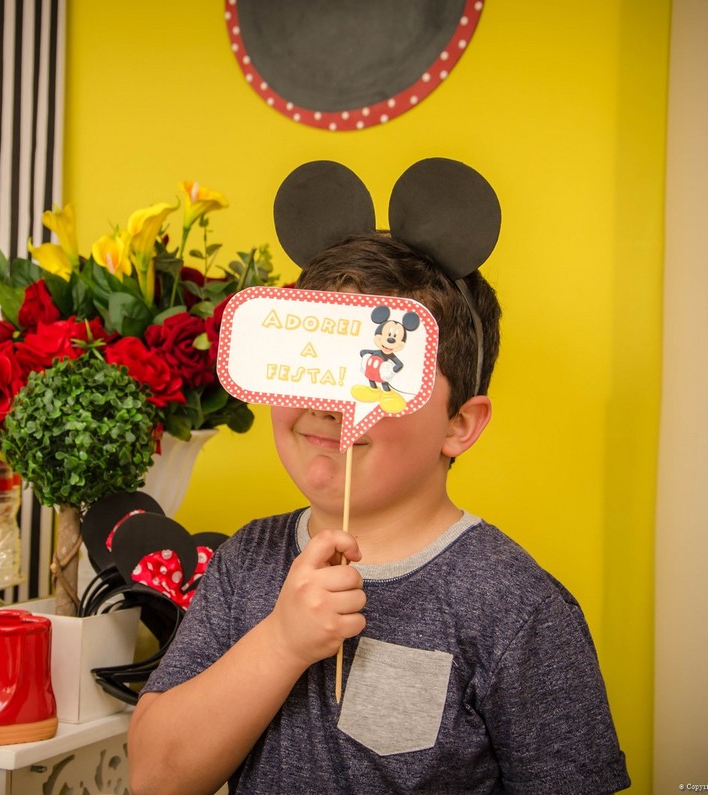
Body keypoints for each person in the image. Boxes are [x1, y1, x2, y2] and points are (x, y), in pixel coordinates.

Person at [127, 232, 630, 794]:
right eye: (310, 363)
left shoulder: (516, 607)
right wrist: (281, 642)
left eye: (375, 373)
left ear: (458, 424)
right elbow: (154, 779)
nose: (326, 404)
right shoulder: (246, 561)